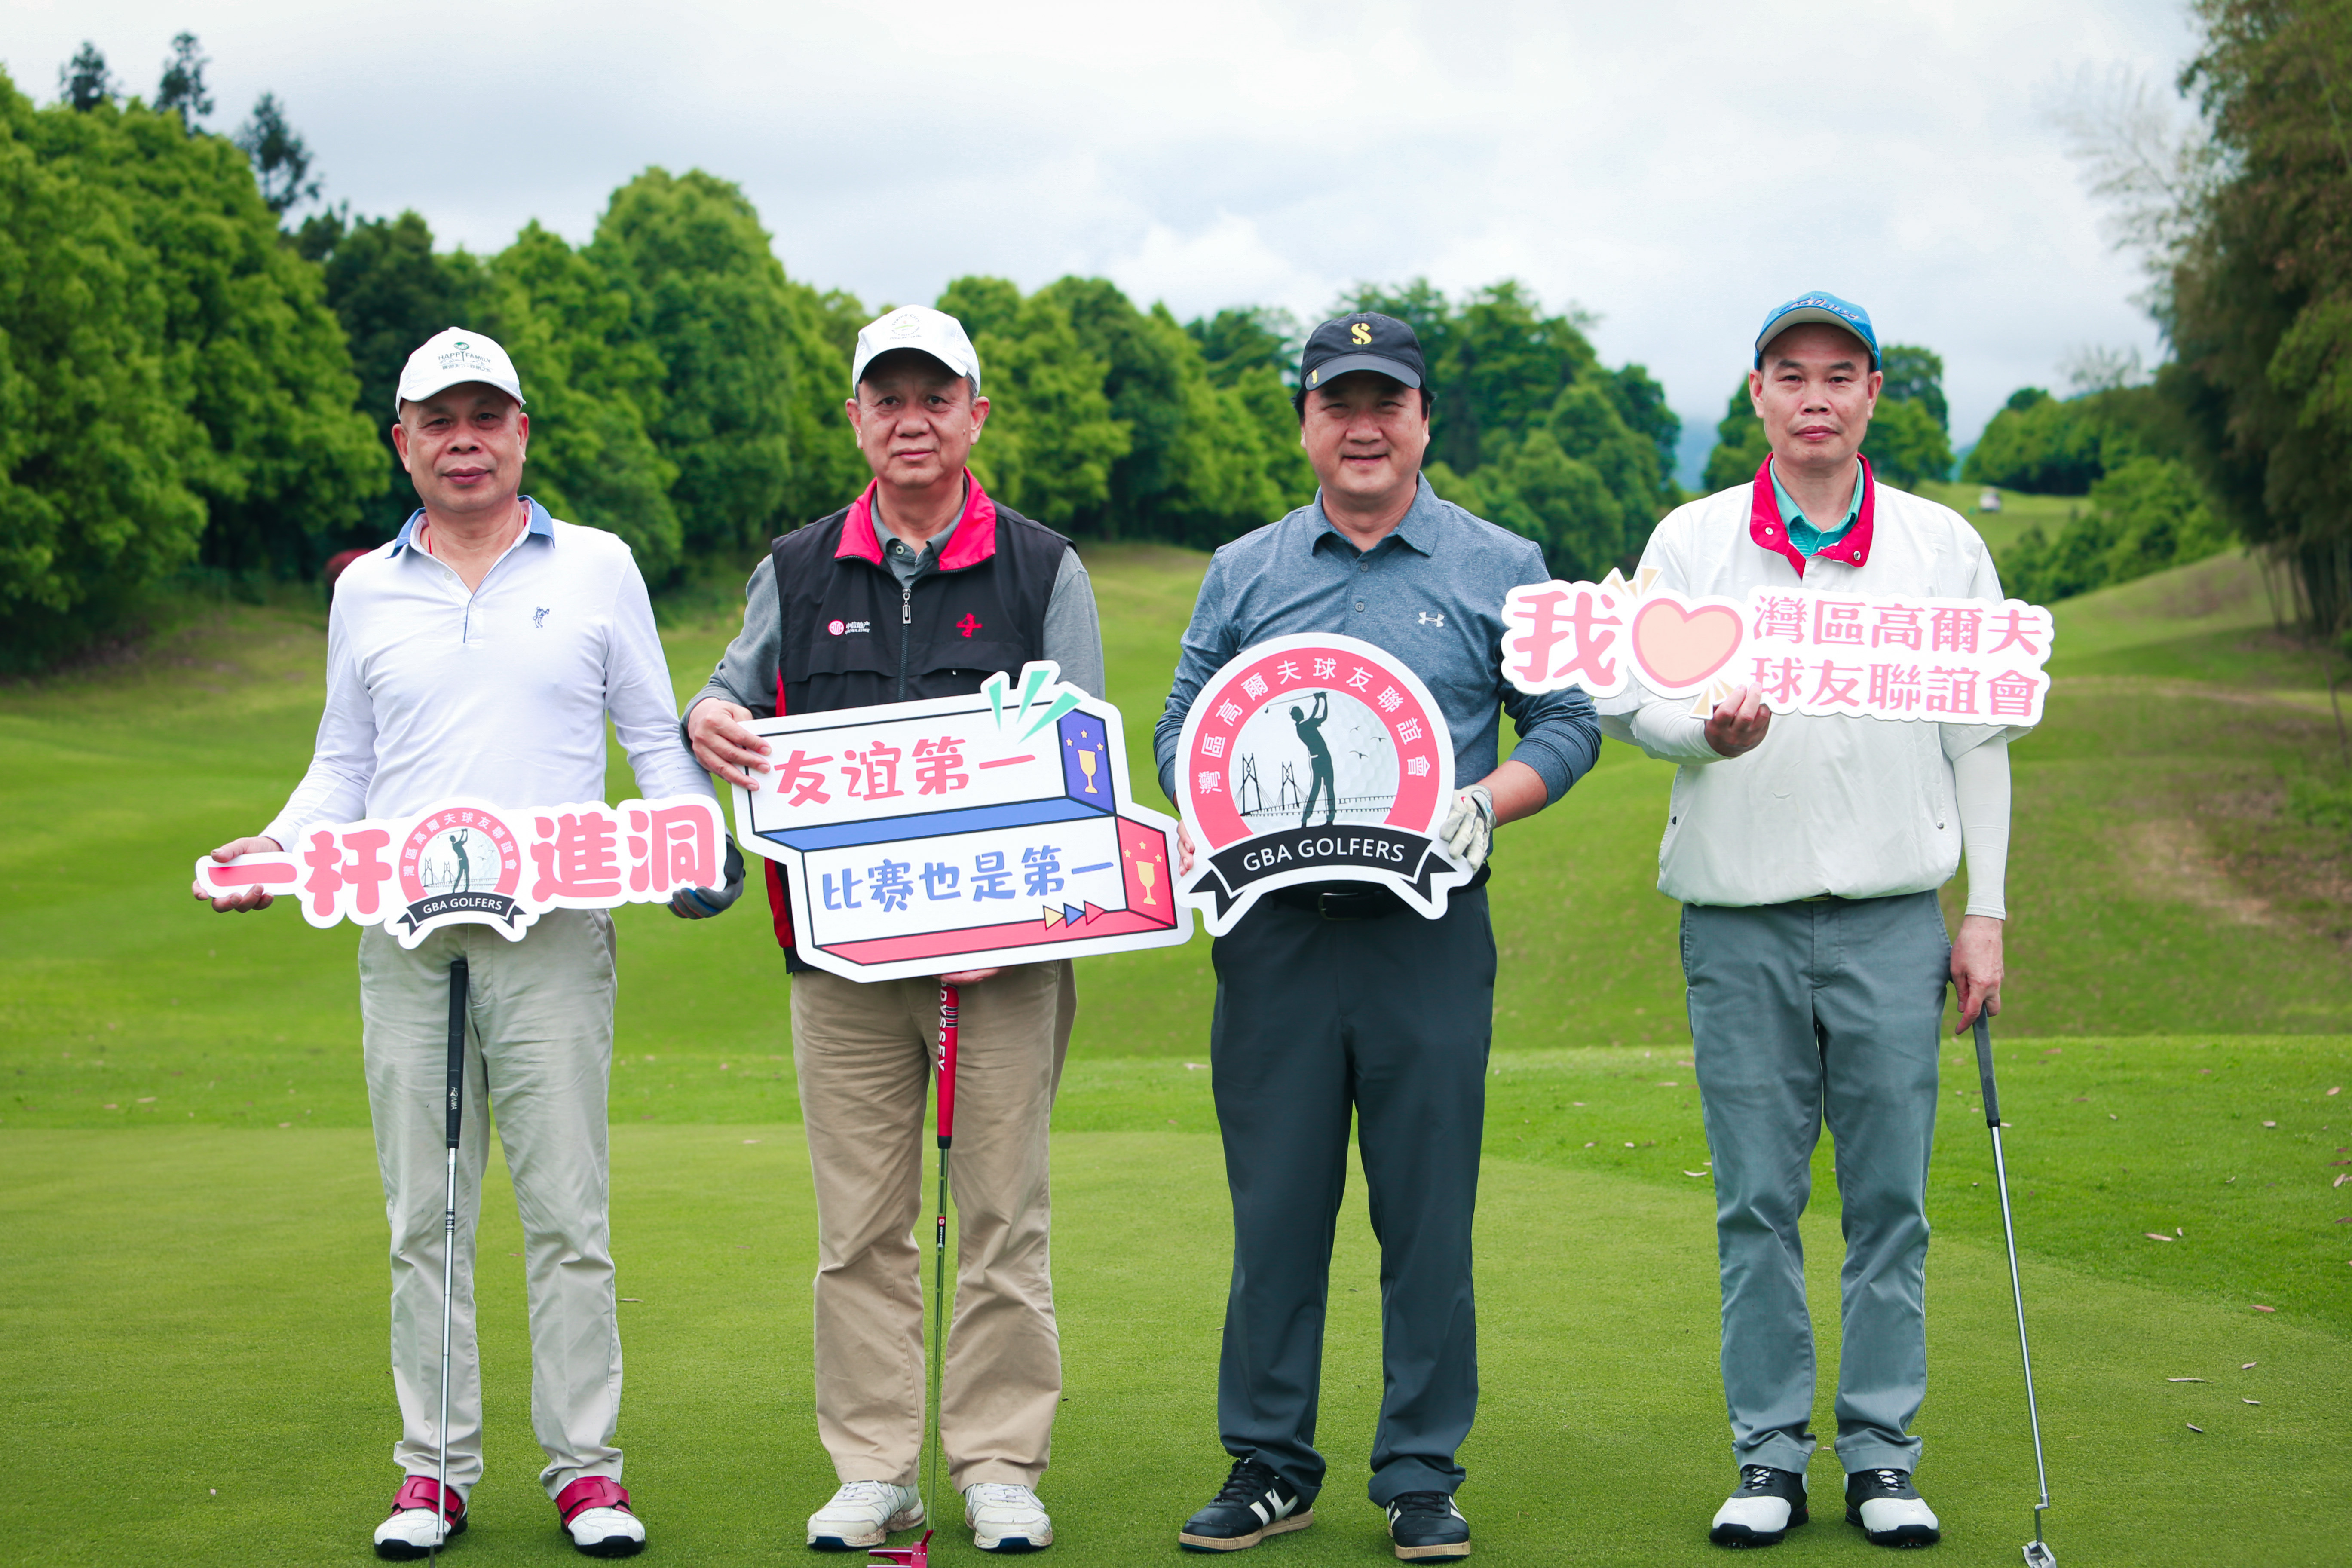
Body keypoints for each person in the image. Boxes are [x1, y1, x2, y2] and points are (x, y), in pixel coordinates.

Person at [192, 328, 742, 1560]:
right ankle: (432, 1472)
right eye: (438, 420)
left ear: (522, 431)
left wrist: (693, 838)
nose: (465, 439)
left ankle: (586, 1471)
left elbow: (656, 742)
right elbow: (345, 766)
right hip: (403, 934)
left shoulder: (599, 567)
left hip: (554, 931)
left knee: (566, 1210)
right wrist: (271, 856)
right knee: (422, 1215)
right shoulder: (364, 591)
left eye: (486, 416)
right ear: (403, 442)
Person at [1155, 312, 1599, 1562]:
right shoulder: (1245, 568)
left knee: (1426, 1209)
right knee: (1279, 1207)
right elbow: (1183, 724)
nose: (1363, 425)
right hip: (1277, 935)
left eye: (1385, 403)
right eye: (1337, 401)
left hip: (1430, 929)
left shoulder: (1500, 561)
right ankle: (1270, 1462)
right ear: (1304, 420)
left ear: (1422, 420)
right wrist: (1206, 801)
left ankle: (1418, 1470)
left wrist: (1483, 802)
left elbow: (1565, 723)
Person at [1596, 293, 2030, 1550]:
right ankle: (1771, 1455)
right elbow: (1633, 700)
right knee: (1757, 1201)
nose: (1818, 397)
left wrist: (1985, 911)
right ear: (1759, 394)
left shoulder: (1943, 548)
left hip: (1898, 915)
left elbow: (1981, 741)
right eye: (1794, 375)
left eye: (1842, 375)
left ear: (1875, 393)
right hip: (1739, 921)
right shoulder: (1693, 540)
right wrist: (1703, 731)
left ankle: (1883, 1455)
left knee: (1891, 1199)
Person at [684, 306, 1105, 1555]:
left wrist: (1011, 916)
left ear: (977, 413)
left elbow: (1083, 764)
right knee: (859, 1224)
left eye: (938, 395)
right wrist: (709, 716)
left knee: (1002, 1216)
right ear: (858, 419)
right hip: (844, 962)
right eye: (889, 397)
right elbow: (728, 690)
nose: (912, 418)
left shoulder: (1043, 567)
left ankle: (995, 1464)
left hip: (1007, 960)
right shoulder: (800, 566)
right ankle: (875, 1468)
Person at [1292, 692, 1335, 826]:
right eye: (1298, 712)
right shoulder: (1302, 726)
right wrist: (1319, 699)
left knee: (1329, 787)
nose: (1301, 713)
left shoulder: (1307, 724)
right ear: (1295, 717)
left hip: (1324, 757)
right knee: (1317, 788)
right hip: (1318, 759)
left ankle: (1330, 819)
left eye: (1300, 711)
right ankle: (1306, 818)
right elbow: (1315, 715)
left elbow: (1323, 716)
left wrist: (1324, 700)